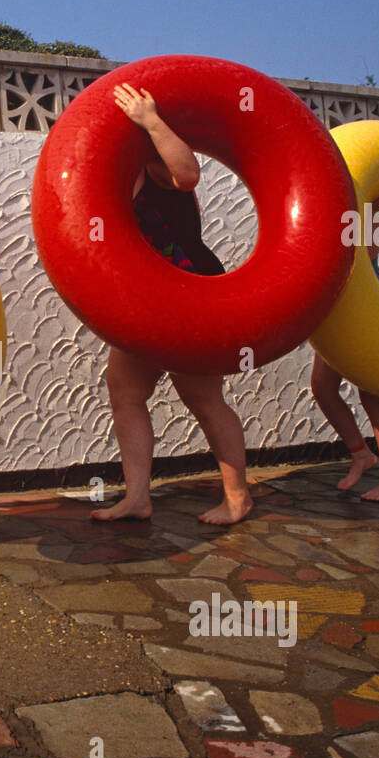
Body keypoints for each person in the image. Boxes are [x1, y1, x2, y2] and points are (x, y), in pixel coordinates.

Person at [91, 83, 254, 526]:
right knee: (125, 392)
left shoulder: (158, 164)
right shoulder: (118, 172)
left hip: (190, 291)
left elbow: (189, 175)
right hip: (146, 299)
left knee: (202, 397)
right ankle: (138, 497)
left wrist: (151, 119)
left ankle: (238, 497)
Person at [310, 183, 379, 502]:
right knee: (323, 386)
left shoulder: (365, 203)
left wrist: (374, 209)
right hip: (340, 305)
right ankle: (361, 454)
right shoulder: (325, 198)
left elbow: (368, 254)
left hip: (369, 302)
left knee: (372, 395)